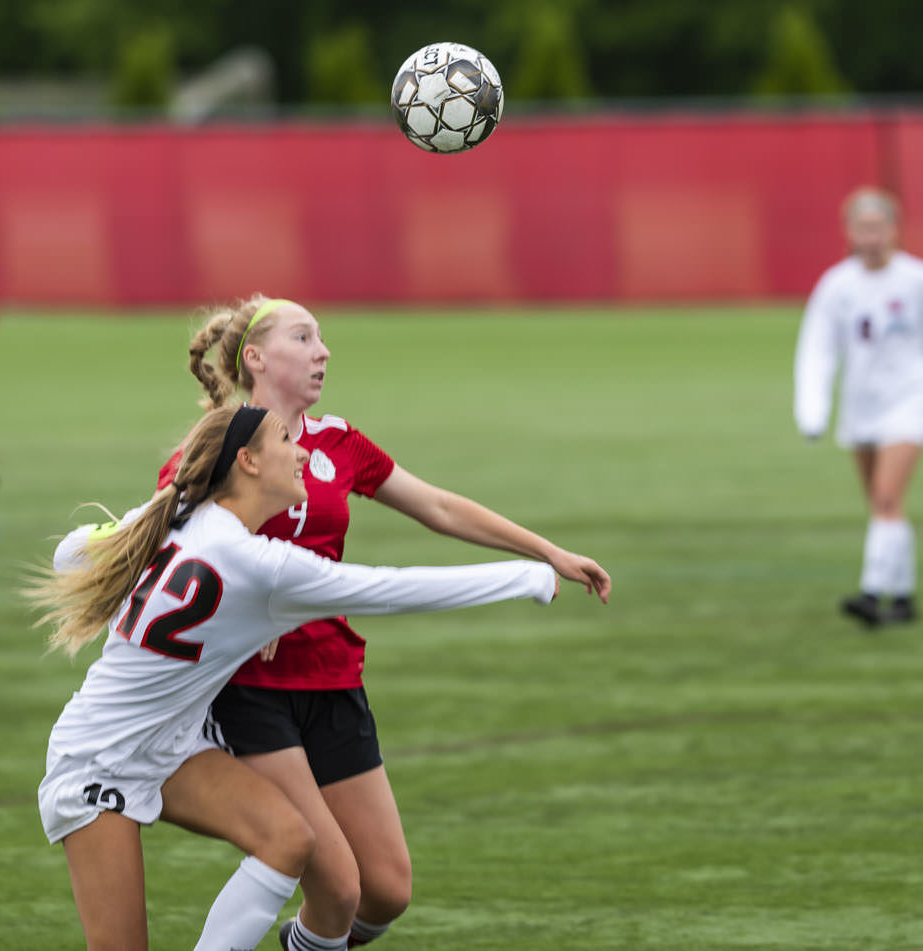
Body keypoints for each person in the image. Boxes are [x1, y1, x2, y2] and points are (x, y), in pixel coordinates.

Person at [35, 404, 569, 951]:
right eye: (286, 441)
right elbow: (389, 589)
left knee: (287, 839)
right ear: (247, 462)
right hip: (95, 762)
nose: (302, 453)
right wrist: (523, 576)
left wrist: (128, 526)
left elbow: (67, 555)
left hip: (170, 751)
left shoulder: (184, 515)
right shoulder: (257, 562)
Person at [171, 296, 611, 951]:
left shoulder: (339, 441)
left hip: (333, 676)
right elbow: (168, 551)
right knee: (336, 885)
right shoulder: (219, 446)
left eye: (323, 337)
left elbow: (436, 504)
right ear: (256, 357)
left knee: (384, 890)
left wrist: (546, 550)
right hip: (249, 691)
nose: (323, 350)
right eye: (304, 336)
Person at [793, 187, 923, 628]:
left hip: (909, 403)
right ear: (849, 232)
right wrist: (812, 411)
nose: (872, 237)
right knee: (885, 506)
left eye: (879, 227)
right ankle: (903, 598)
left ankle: (870, 592)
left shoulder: (920, 280)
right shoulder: (836, 285)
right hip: (862, 407)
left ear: (895, 230)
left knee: (886, 496)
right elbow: (816, 351)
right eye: (863, 228)